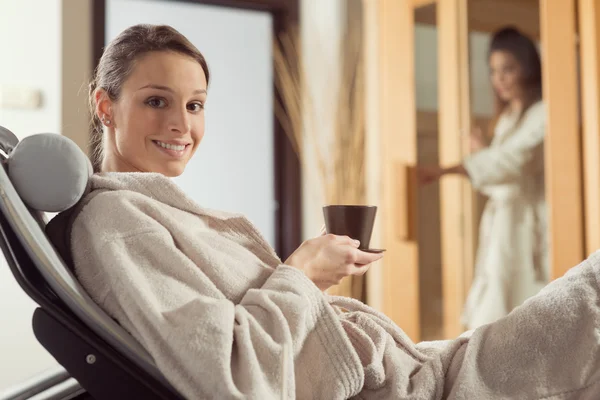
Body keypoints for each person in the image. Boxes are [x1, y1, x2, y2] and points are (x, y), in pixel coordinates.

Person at [49, 24, 600, 399]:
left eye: (195, 105)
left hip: (408, 368)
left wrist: (308, 274)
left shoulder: (150, 212)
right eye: (156, 100)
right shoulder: (117, 225)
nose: (181, 125)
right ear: (105, 105)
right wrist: (303, 272)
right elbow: (229, 375)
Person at [419, 27, 548, 330]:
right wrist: (483, 155)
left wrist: (450, 169)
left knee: (520, 308)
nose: (499, 79)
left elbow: (513, 162)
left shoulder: (544, 114)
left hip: (525, 227)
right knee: (494, 309)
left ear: (527, 69)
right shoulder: (506, 119)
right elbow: (497, 175)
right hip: (501, 226)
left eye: (508, 69)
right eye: (493, 71)